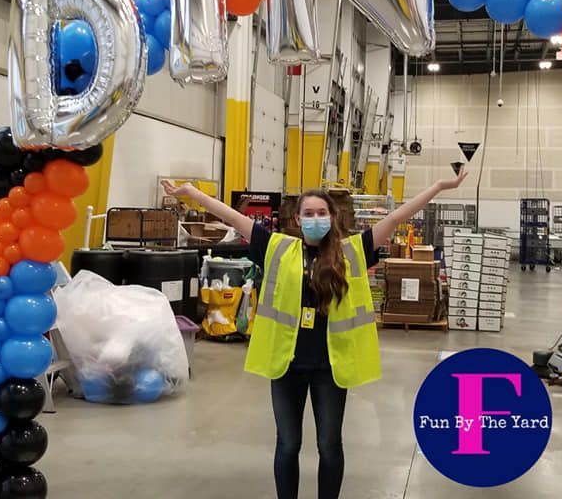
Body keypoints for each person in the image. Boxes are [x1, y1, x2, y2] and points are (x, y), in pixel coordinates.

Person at [161, 170, 468, 499]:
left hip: (331, 368)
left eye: (322, 212)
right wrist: (192, 193)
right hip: (287, 365)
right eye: (309, 213)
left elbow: (395, 218)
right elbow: (234, 218)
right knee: (288, 444)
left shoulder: (352, 252)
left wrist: (437, 186)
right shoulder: (278, 248)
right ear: (298, 218)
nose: (316, 218)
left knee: (329, 446)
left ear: (333, 217)